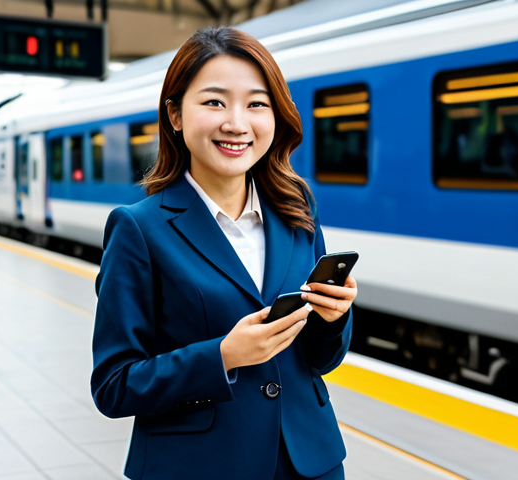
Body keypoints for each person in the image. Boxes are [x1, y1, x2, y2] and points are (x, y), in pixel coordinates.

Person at [91, 27, 358, 480]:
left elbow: (319, 361)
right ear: (175, 115)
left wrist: (334, 321)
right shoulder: (138, 228)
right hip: (200, 467)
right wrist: (223, 356)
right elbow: (114, 385)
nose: (237, 123)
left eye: (257, 103)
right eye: (214, 102)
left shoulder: (297, 210)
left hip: (310, 464)